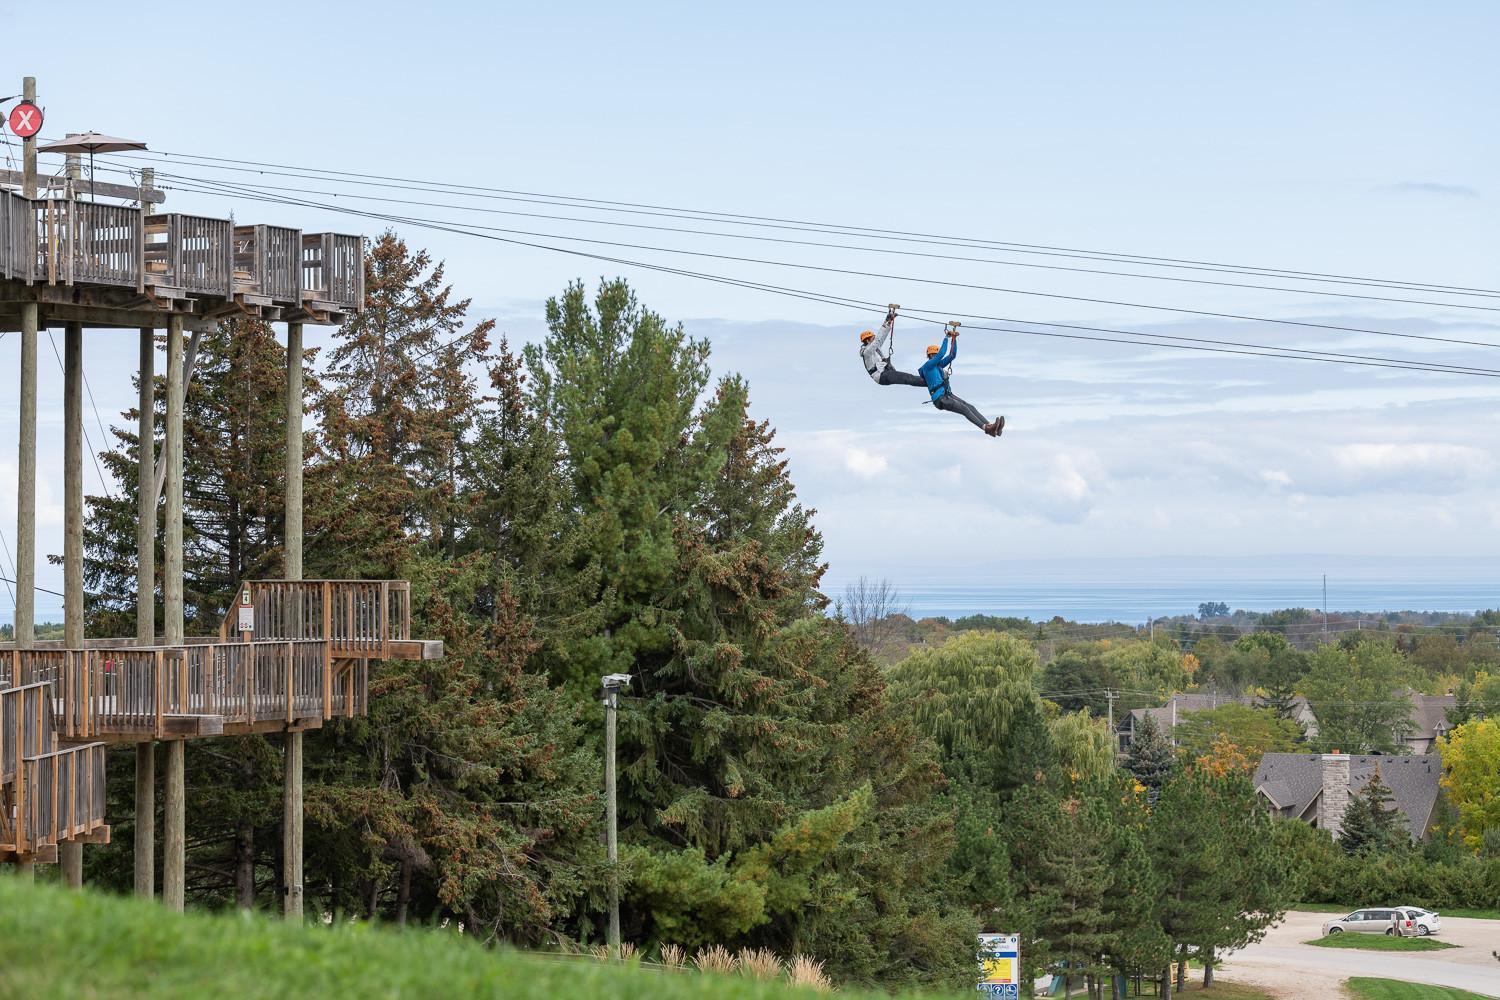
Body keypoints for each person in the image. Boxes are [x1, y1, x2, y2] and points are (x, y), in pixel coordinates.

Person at [919, 327, 1004, 437]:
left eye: (935, 355)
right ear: (930, 356)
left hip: (947, 395)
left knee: (970, 407)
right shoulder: (928, 366)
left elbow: (952, 356)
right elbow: (941, 354)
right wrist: (947, 337)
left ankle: (991, 427)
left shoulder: (938, 366)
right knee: (964, 409)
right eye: (934, 355)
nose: (936, 357)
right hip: (940, 399)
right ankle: (986, 428)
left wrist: (954, 339)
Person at [858, 307, 926, 388]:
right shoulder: (867, 352)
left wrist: (888, 322)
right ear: (867, 340)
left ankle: (927, 382)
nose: (874, 338)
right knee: (907, 378)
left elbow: (881, 338)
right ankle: (929, 382)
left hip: (884, 373)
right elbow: (877, 340)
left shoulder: (874, 349)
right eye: (872, 337)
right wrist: (886, 321)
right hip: (882, 375)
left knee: (907, 378)